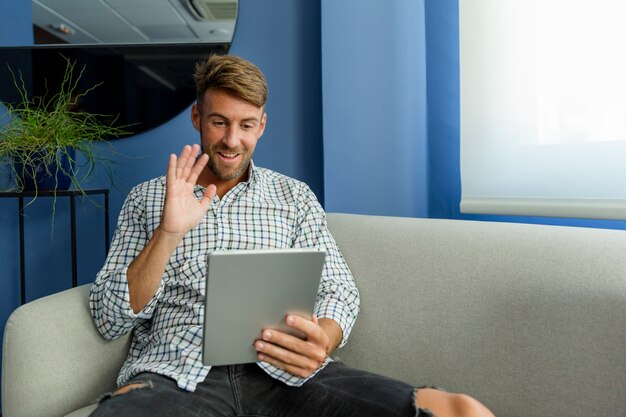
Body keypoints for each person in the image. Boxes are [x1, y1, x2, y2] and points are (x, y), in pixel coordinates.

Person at [89, 54, 495, 417]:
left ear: (262, 125)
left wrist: (324, 338)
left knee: (461, 411)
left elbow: (339, 289)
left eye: (246, 125)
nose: (232, 140)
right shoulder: (148, 198)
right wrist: (169, 232)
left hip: (288, 375)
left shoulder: (294, 197)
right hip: (178, 375)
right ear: (197, 118)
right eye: (219, 122)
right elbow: (109, 319)